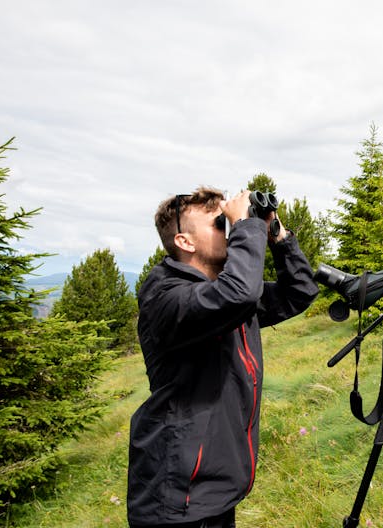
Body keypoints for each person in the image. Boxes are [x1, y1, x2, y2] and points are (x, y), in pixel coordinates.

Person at [127, 187, 319, 528]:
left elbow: (299, 291)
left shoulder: (223, 291)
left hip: (213, 488)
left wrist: (275, 234)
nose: (229, 227)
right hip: (178, 496)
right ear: (185, 242)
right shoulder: (167, 297)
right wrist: (246, 224)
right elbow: (240, 294)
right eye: (219, 223)